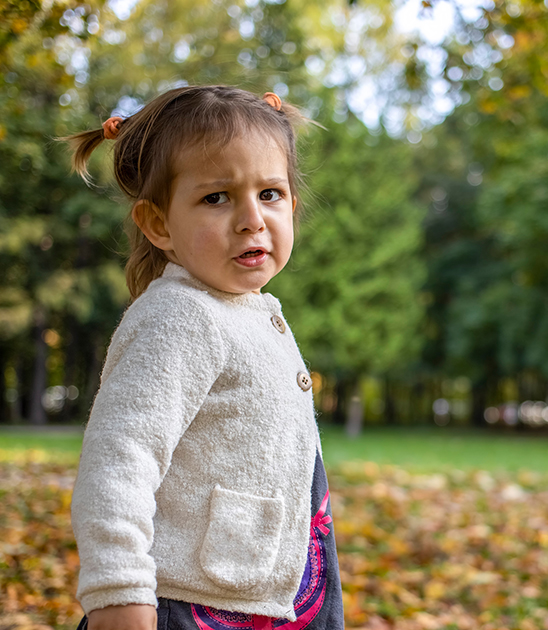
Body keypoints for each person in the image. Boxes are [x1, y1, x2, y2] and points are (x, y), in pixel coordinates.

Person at [62, 86, 342, 630]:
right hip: (192, 606)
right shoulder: (180, 318)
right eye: (217, 197)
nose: (251, 219)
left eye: (270, 194)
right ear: (159, 223)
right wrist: (119, 592)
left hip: (261, 597)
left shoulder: (248, 311)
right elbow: (119, 461)